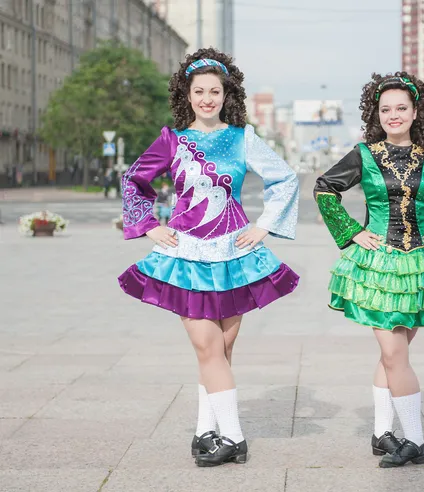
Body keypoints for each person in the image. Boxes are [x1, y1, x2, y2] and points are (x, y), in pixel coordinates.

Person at [118, 48, 300, 467]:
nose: (206, 98)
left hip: (235, 255)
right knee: (208, 347)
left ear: (226, 94)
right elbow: (134, 181)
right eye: (198, 91)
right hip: (186, 254)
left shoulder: (243, 138)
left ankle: (205, 432)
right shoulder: (172, 140)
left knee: (221, 352)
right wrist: (148, 225)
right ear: (187, 93)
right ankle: (234, 439)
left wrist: (263, 226)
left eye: (214, 91)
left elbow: (285, 178)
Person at [314, 72, 424, 468]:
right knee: (393, 354)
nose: (394, 115)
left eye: (401, 108)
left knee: (394, 355)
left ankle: (396, 436)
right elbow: (324, 188)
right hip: (378, 266)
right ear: (376, 114)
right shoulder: (363, 155)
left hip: (420, 268)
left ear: (416, 112)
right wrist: (352, 233)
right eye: (386, 109)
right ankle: (402, 437)